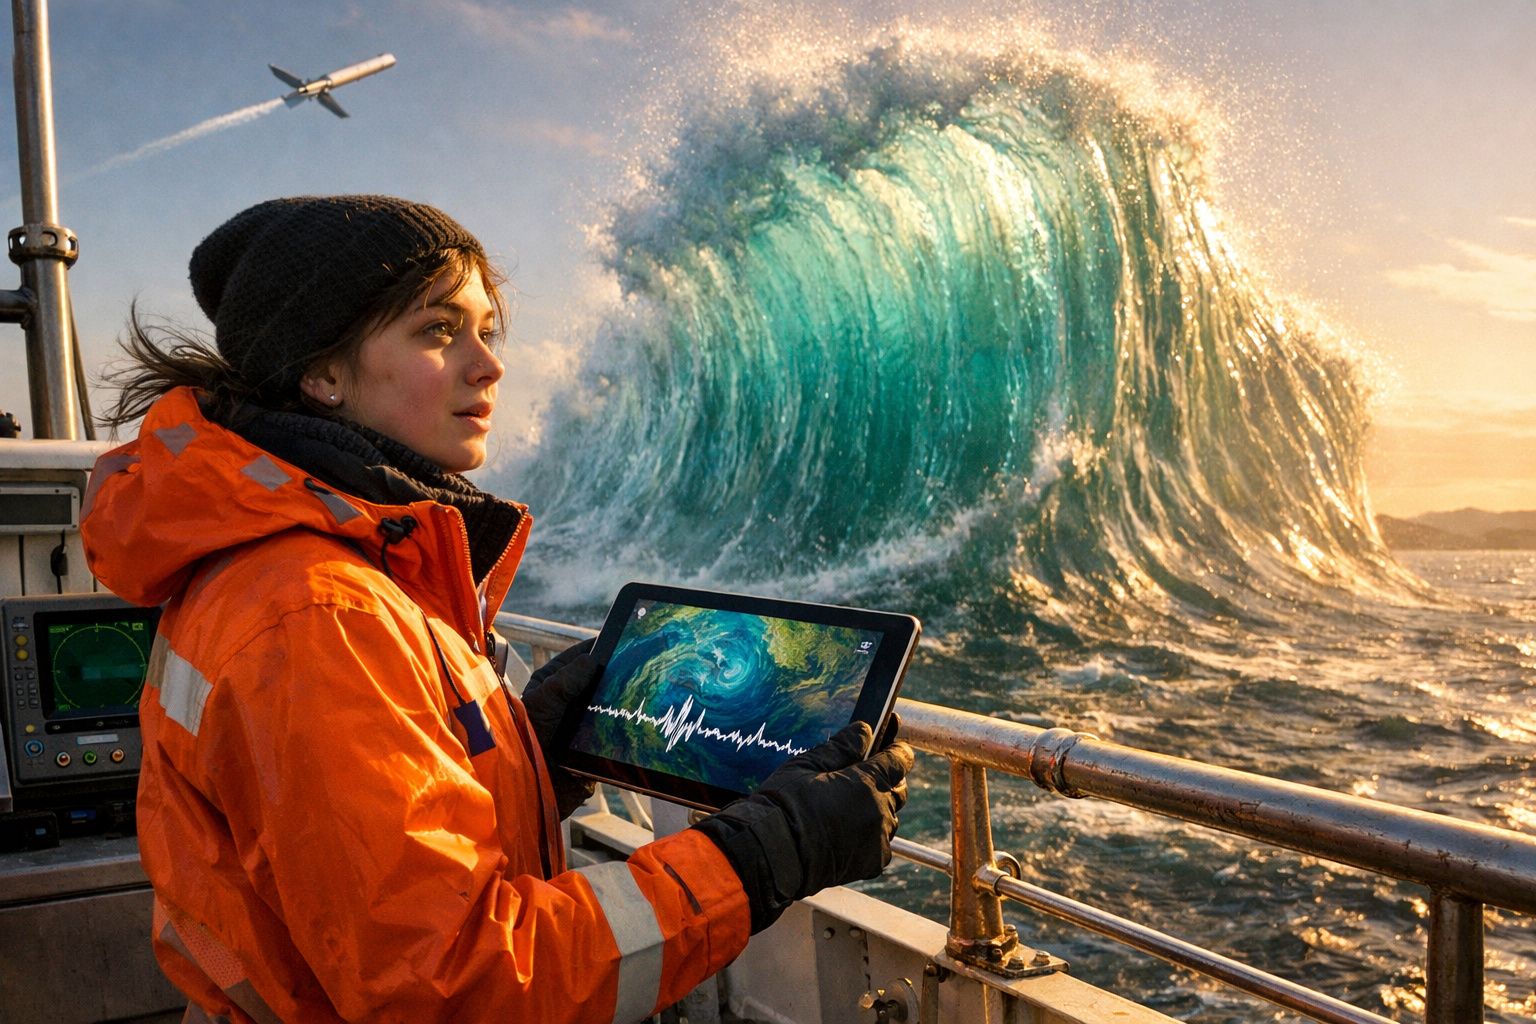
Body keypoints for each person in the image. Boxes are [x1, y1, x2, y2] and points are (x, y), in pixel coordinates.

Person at [80, 195, 912, 1024]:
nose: (489, 365)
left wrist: (530, 765)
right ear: (322, 371)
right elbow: (458, 986)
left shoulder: (311, 564)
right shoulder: (322, 614)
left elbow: (342, 853)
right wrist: (765, 856)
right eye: (439, 330)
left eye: (486, 329)